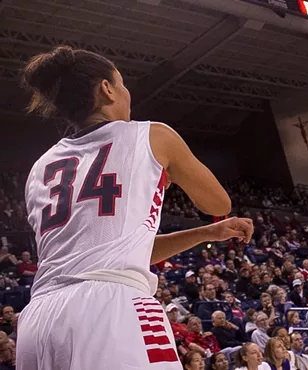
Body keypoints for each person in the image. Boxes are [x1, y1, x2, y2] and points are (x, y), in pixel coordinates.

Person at [15, 46, 255, 369]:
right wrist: (166, 170)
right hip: (113, 311)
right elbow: (218, 202)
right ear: (107, 89)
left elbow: (111, 255)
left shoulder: (40, 168)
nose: (129, 94)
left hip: (38, 321)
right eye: (123, 84)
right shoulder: (152, 136)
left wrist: (207, 233)